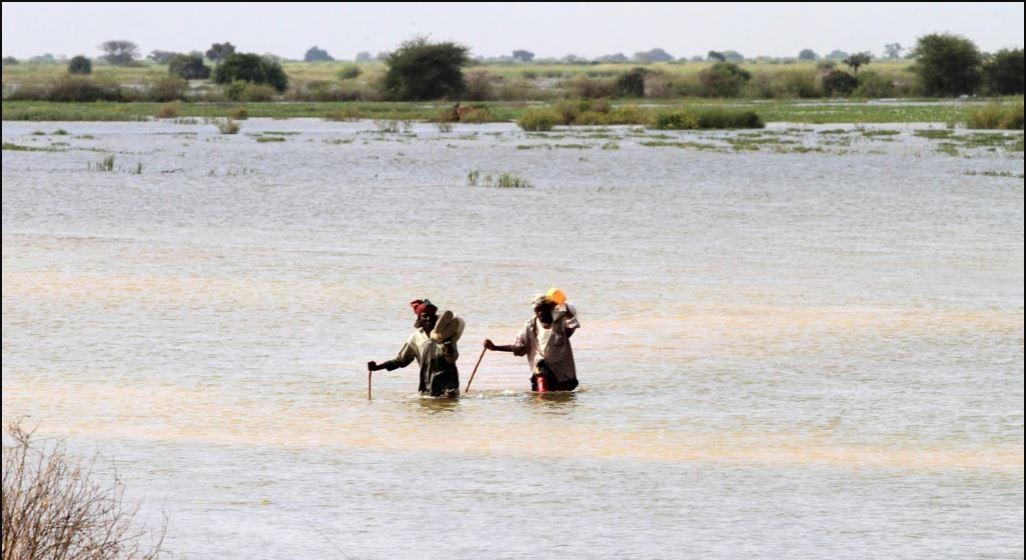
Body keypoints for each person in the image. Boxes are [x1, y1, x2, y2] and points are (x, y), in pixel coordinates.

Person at [483, 294, 580, 392]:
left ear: (550, 309)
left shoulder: (560, 324)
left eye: (543, 310)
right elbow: (519, 347)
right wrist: (495, 347)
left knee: (560, 399)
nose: (540, 313)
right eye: (537, 310)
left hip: (561, 373)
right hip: (540, 369)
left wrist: (562, 304)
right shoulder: (530, 326)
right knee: (541, 381)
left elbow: (572, 320)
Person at [367, 299, 463, 397]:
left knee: (448, 405)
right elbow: (401, 361)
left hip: (449, 383)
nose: (429, 319)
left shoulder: (446, 334)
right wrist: (377, 367)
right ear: (419, 319)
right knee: (428, 406)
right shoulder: (415, 338)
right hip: (428, 384)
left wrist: (447, 344)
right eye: (425, 316)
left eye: (432, 316)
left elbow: (452, 359)